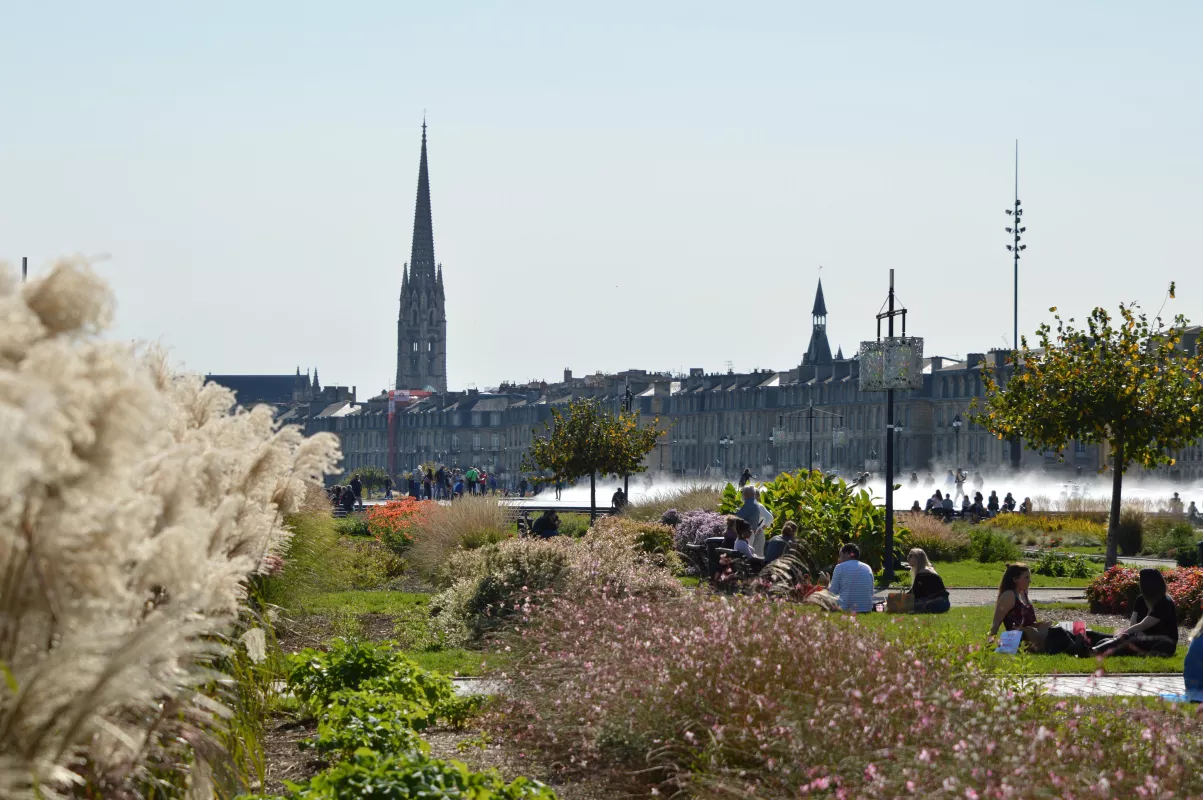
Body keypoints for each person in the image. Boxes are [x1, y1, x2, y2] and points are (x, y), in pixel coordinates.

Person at [1092, 568, 1179, 657]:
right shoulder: (1140, 599)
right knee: (1096, 636)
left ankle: (1094, 651)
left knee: (1123, 638)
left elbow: (1143, 625)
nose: (1138, 583)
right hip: (1142, 639)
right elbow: (1133, 624)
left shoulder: (1165, 602)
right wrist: (1132, 634)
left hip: (1163, 643)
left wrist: (1123, 634)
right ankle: (1092, 643)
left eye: (1140, 580)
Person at [990, 563, 1050, 651]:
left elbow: (1028, 620)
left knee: (1056, 629)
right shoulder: (1009, 595)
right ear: (1015, 579)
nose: (1030, 581)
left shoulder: (1023, 593)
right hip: (1020, 638)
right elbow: (996, 623)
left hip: (1032, 634)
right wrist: (988, 644)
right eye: (1026, 577)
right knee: (1052, 635)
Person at [828, 543, 876, 613]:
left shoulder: (840, 567)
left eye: (841, 556)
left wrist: (827, 583)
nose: (839, 559)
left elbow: (833, 593)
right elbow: (871, 592)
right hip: (866, 610)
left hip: (847, 610)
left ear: (847, 554)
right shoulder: (867, 567)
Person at [734, 485, 774, 557]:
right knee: (757, 553)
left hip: (749, 532)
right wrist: (761, 528)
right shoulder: (755, 505)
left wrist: (761, 528)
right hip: (755, 531)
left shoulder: (756, 506)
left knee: (748, 553)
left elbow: (770, 518)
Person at [907, 548, 950, 614]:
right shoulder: (926, 570)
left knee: (909, 605)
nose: (908, 558)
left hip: (937, 603)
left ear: (917, 558)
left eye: (910, 556)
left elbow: (915, 594)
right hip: (943, 603)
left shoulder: (923, 573)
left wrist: (900, 599)